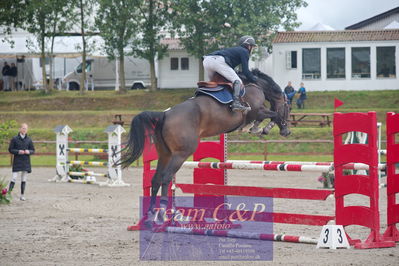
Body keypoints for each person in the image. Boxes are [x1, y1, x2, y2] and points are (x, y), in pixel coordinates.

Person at [203, 35, 258, 112]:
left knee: (213, 83)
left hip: (207, 60)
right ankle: (236, 103)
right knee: (237, 81)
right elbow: (245, 71)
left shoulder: (235, 50)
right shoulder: (244, 51)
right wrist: (254, 79)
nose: (252, 49)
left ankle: (203, 97)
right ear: (248, 46)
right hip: (218, 61)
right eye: (252, 46)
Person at [8, 123, 35, 201]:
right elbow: (10, 149)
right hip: (17, 161)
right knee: (14, 177)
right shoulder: (14, 139)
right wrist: (18, 151)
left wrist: (28, 151)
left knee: (24, 178)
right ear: (20, 129)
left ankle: (22, 195)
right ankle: (8, 194)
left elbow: (33, 150)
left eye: (26, 128)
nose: (24, 130)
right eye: (23, 128)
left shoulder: (29, 139)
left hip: (26, 161)